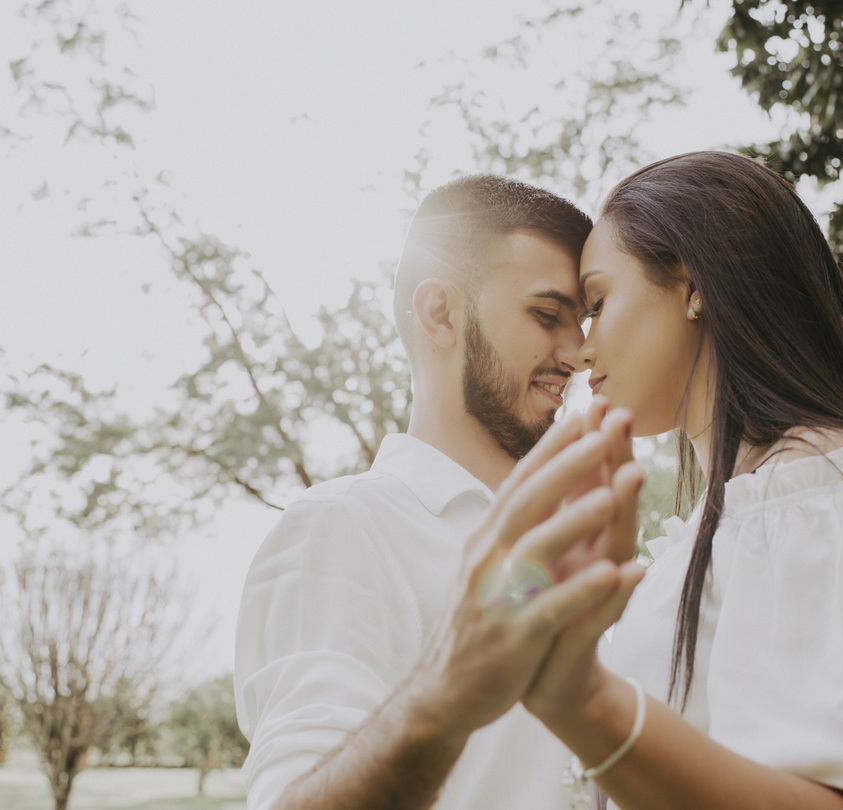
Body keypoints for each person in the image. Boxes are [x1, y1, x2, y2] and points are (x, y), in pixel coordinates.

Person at [516, 151, 843, 810]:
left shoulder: (823, 491)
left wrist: (586, 702)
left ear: (694, 283)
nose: (583, 351)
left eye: (599, 301)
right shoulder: (737, 512)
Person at [233, 174, 644, 810]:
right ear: (441, 313)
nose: (579, 353)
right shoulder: (339, 529)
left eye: (584, 321)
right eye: (545, 315)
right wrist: (448, 694)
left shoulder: (573, 541)